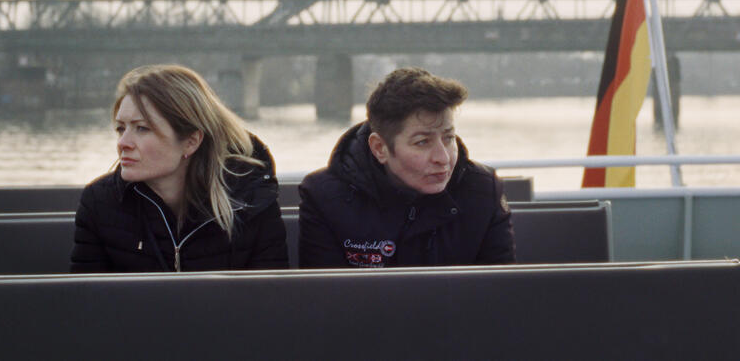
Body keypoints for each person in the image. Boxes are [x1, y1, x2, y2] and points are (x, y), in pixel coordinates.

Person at [70, 64, 288, 272]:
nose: (123, 143)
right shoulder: (99, 204)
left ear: (191, 141)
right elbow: (89, 305)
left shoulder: (250, 200)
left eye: (142, 128)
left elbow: (270, 300)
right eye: (120, 128)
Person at [298, 67, 515, 268]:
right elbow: (326, 301)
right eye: (422, 142)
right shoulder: (325, 199)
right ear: (380, 148)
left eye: (449, 138)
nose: (443, 158)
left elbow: (498, 296)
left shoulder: (484, 192)